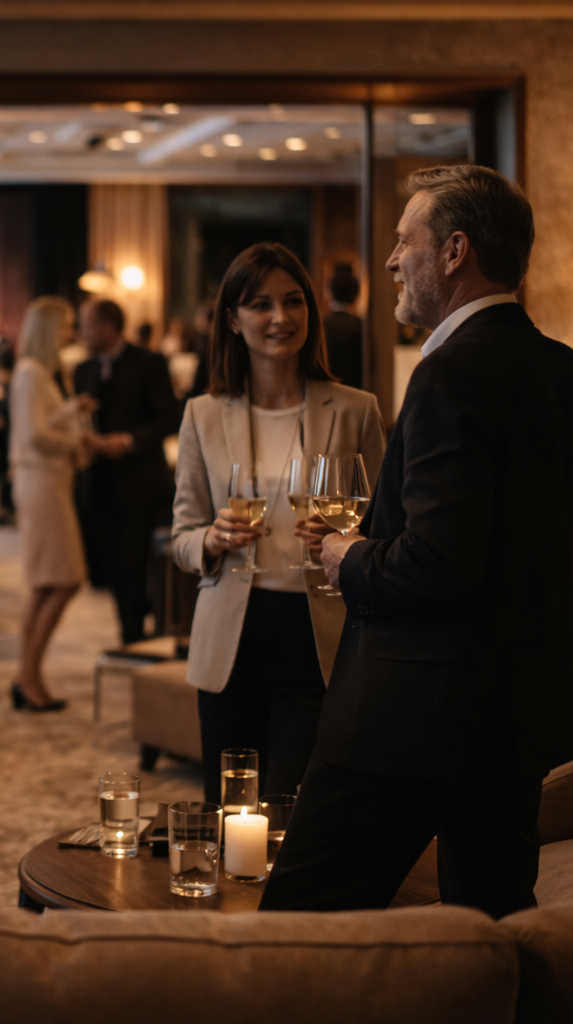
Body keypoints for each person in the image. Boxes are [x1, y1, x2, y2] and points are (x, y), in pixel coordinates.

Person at [261, 165, 573, 919]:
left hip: (406, 717)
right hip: (519, 722)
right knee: (493, 937)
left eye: (402, 241)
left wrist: (346, 555)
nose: (389, 261)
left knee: (296, 934)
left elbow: (436, 564)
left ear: (454, 252)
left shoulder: (451, 371)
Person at [168, 243, 386, 805]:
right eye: (261, 305)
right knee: (228, 804)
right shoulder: (203, 414)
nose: (280, 318)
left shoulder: (356, 409)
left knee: (295, 805)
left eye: (293, 302)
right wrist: (211, 540)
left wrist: (346, 540)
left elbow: (384, 525)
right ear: (233, 320)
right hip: (231, 637)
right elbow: (182, 536)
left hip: (317, 633)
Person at [73, 297, 178, 645]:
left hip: (140, 482)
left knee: (134, 563)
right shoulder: (83, 370)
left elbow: (169, 417)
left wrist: (129, 441)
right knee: (112, 566)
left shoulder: (148, 362)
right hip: (98, 483)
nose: (81, 331)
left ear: (108, 326)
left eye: (87, 324)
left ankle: (133, 637)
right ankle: (128, 631)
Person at [8, 296, 91, 712]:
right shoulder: (31, 373)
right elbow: (35, 435)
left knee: (48, 583)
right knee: (62, 579)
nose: (70, 333)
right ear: (47, 329)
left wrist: (74, 411)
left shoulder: (45, 373)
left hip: (50, 481)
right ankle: (28, 675)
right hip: (41, 483)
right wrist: (78, 438)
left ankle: (28, 676)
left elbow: (43, 426)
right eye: (65, 326)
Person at [322, 262, 365, 390]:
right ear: (356, 295)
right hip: (356, 391)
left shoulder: (321, 324)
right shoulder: (361, 326)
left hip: (325, 391)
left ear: (329, 293)